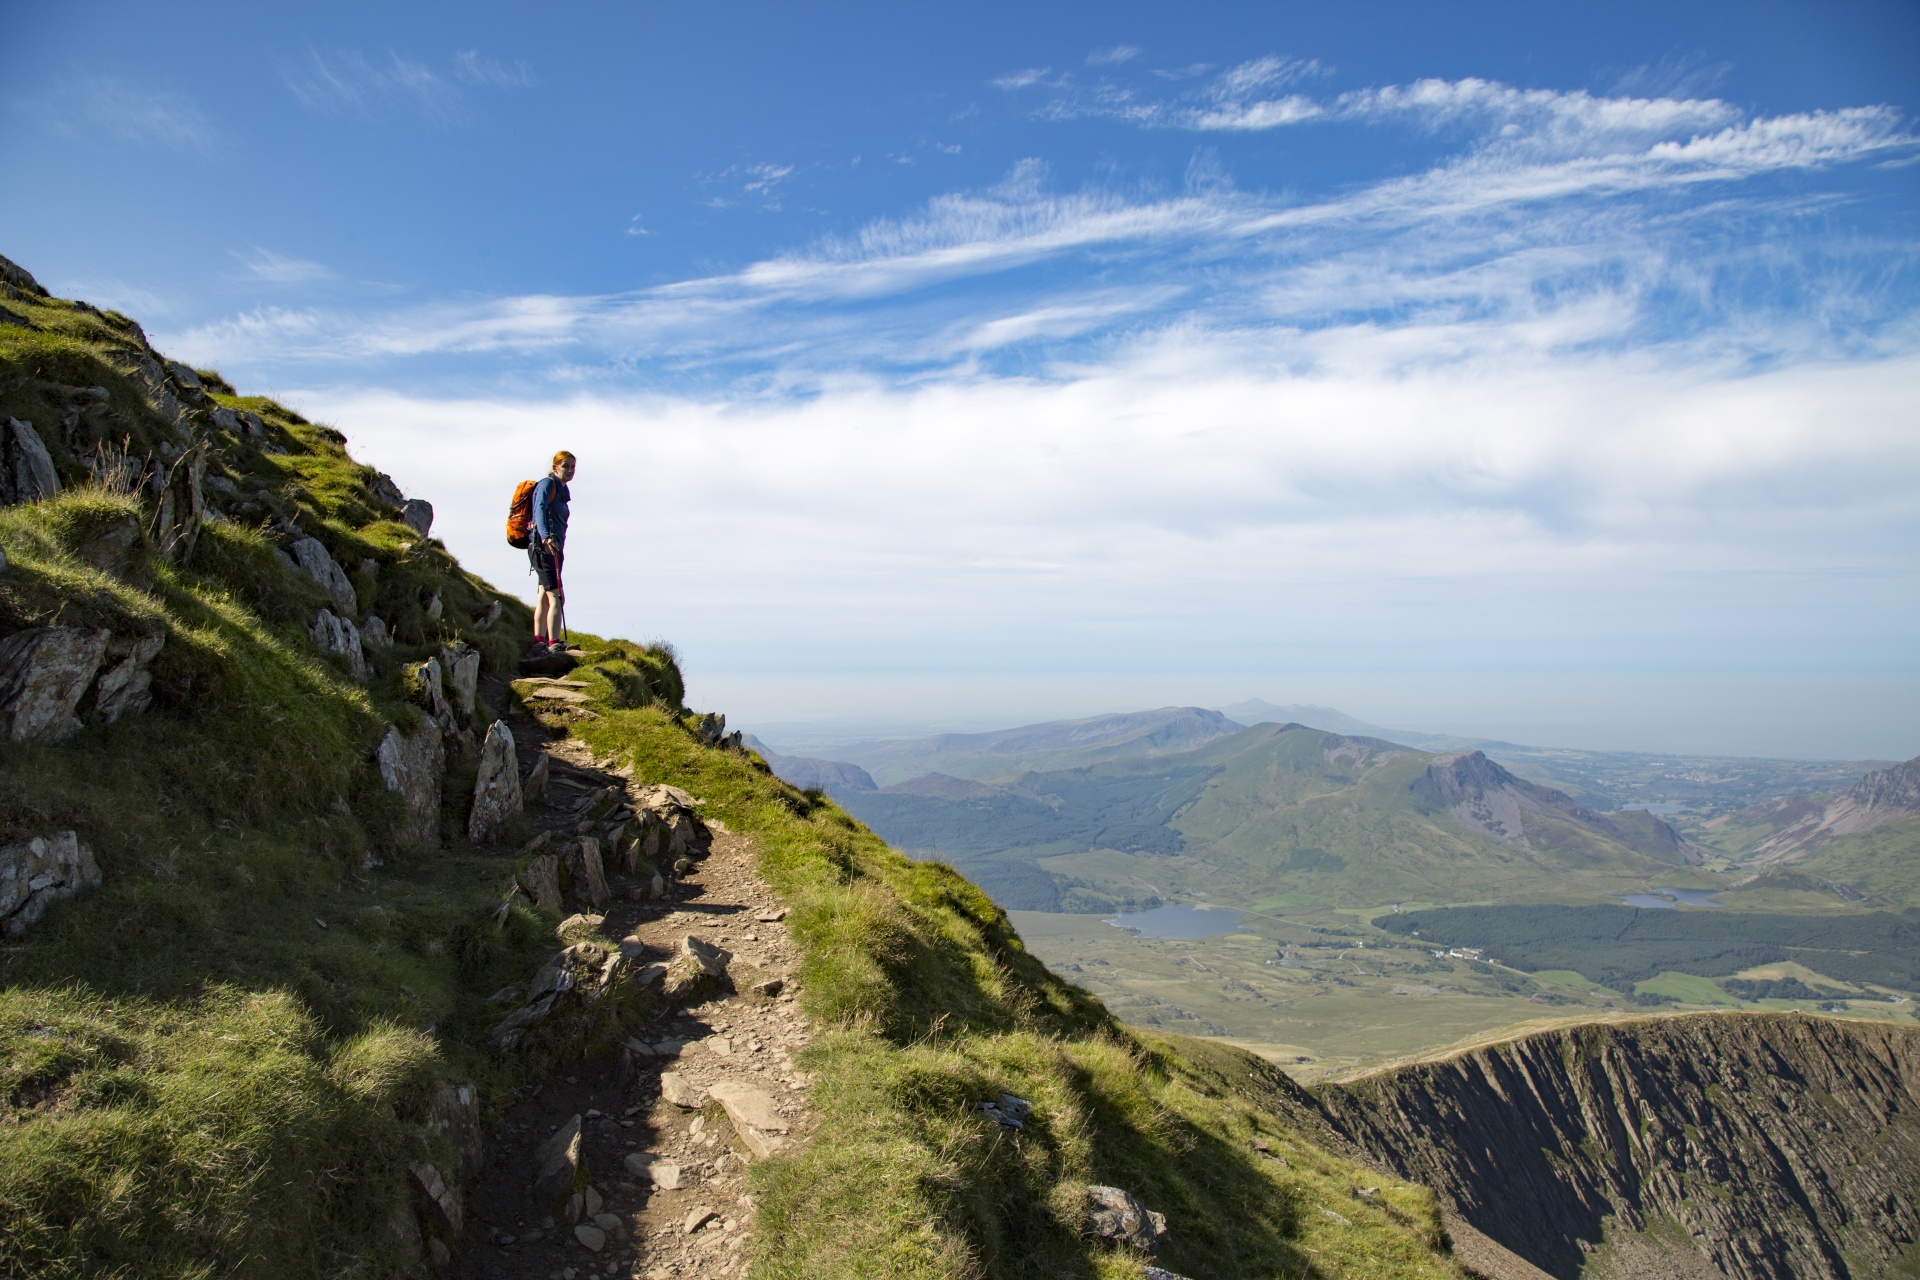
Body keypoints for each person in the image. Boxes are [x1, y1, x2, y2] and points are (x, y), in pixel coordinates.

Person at [529, 450, 575, 654]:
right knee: (556, 596)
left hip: (554, 547)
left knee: (544, 594)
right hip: (543, 545)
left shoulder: (563, 492)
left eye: (573, 467)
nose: (570, 470)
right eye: (565, 466)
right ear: (555, 467)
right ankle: (553, 642)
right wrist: (546, 536)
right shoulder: (547, 484)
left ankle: (540, 640)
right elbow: (538, 509)